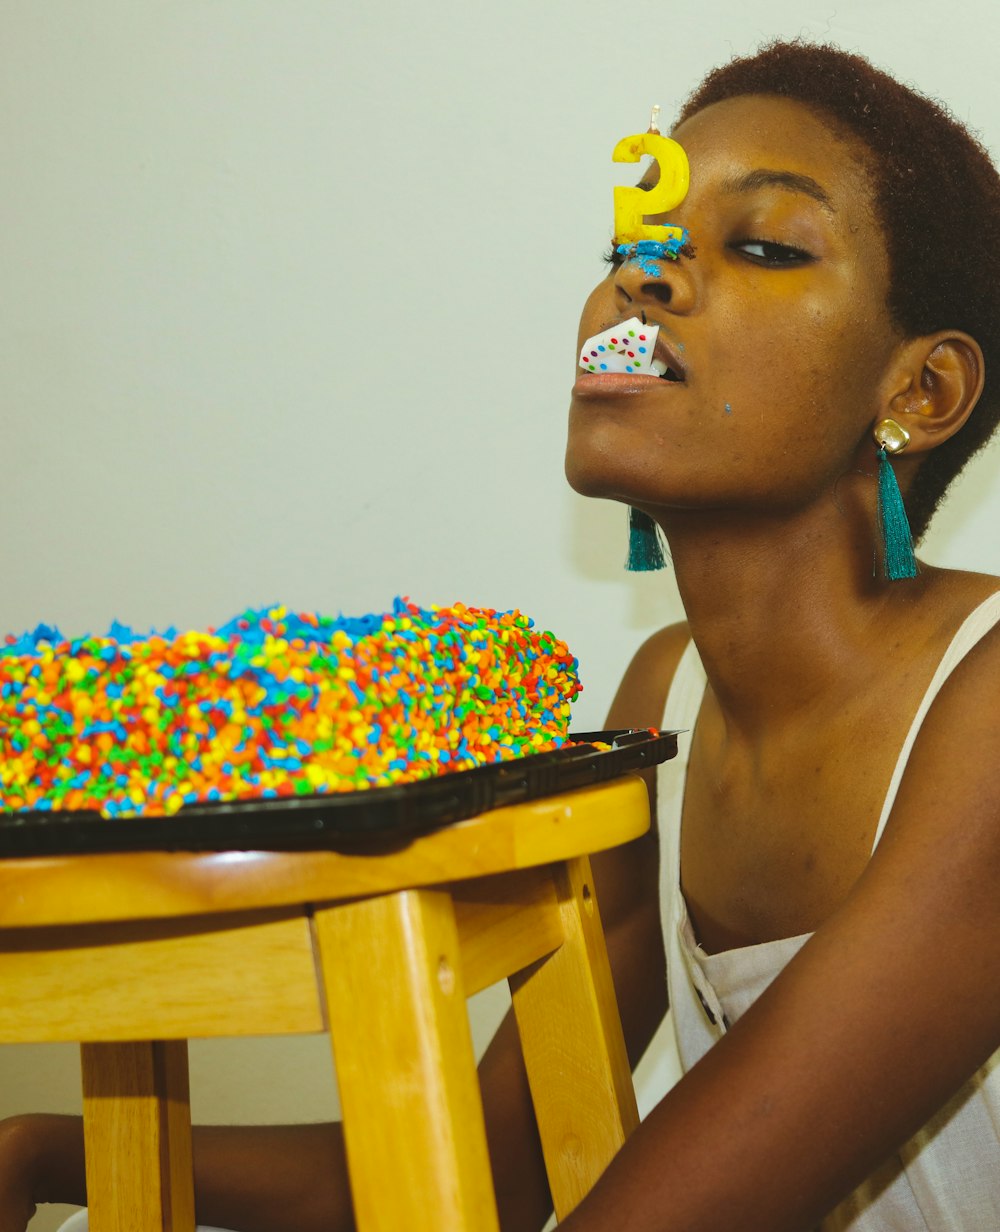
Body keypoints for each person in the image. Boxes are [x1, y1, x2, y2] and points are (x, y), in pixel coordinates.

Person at [4, 38, 1000, 1232]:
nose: (646, 284)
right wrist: (37, 1148)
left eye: (765, 245)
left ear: (920, 391)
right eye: (633, 246)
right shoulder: (664, 696)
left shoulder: (984, 704)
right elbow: (485, 1167)